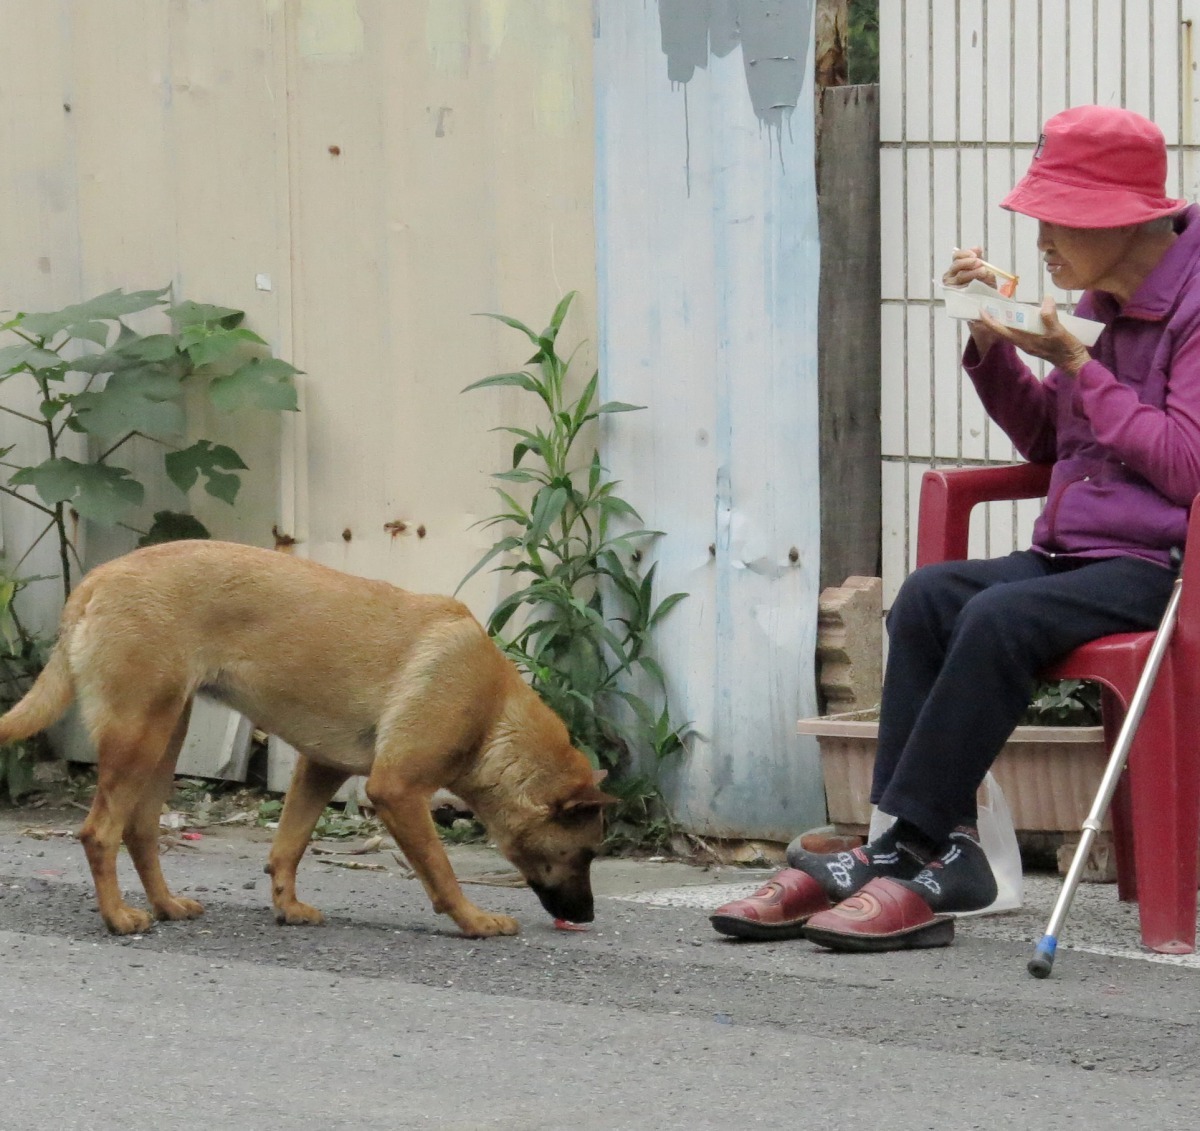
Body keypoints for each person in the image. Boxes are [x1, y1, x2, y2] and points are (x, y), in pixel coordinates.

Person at [710, 103, 1200, 952]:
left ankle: (903, 848)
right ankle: (928, 844)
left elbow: (1183, 463)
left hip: (1160, 561)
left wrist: (1081, 364)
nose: (1042, 238)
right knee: (932, 597)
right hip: (1071, 551)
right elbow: (1053, 438)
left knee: (997, 616)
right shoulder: (1101, 296)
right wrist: (993, 347)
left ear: (1118, 218)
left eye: (1056, 218)